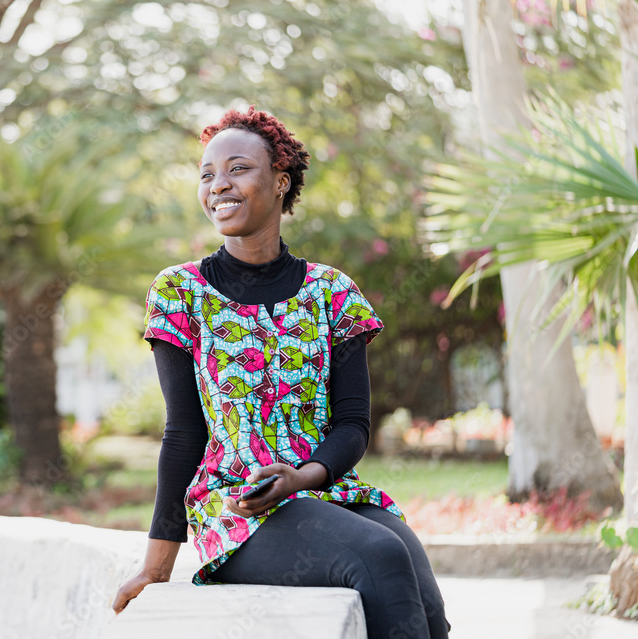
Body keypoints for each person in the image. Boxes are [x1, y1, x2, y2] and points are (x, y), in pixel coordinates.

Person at [110, 106, 450, 638]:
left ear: (281, 181)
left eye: (238, 168)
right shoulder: (180, 292)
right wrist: (157, 567)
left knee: (424, 598)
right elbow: (183, 434)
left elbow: (353, 425)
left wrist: (302, 477)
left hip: (329, 492)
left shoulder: (332, 294)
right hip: (236, 508)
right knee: (381, 555)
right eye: (207, 174)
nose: (218, 185)